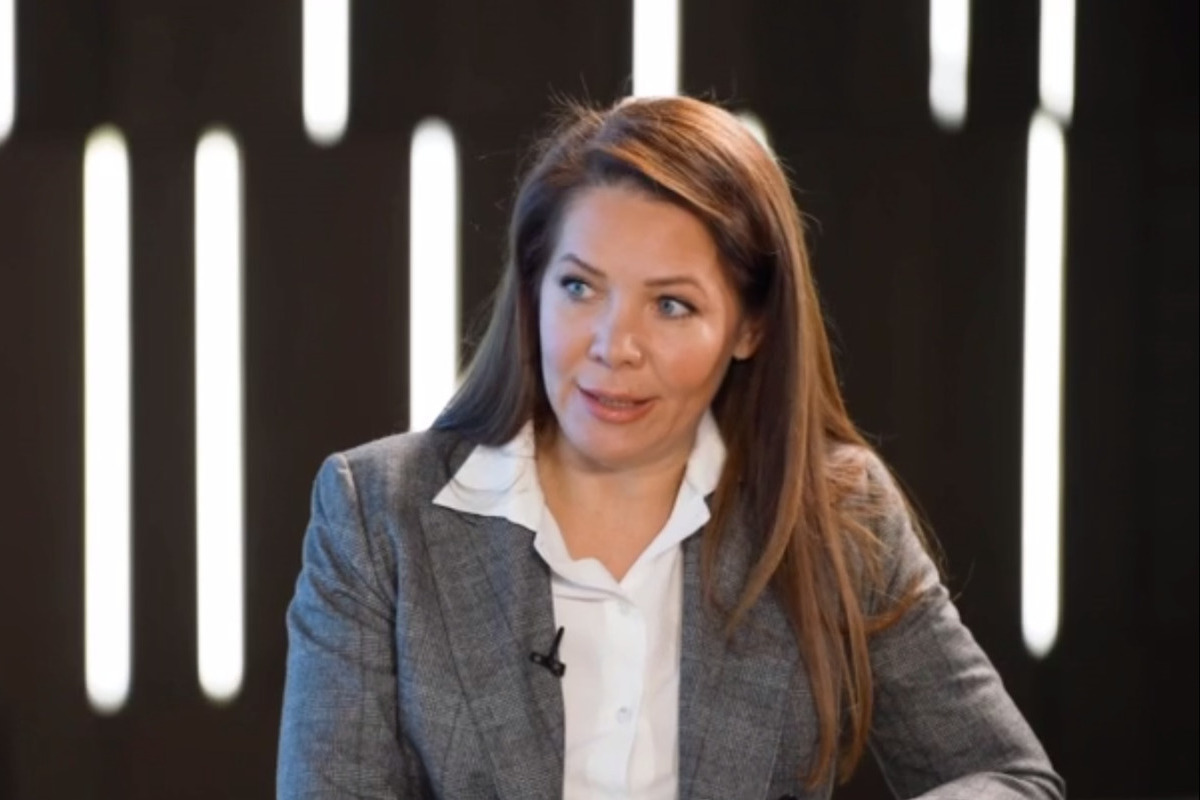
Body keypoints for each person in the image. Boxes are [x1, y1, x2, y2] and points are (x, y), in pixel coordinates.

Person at [276, 96, 1065, 799]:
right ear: (534, 287)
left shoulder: (832, 511)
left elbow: (1011, 779)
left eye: (672, 306)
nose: (614, 346)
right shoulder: (378, 514)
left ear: (751, 327)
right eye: (579, 287)